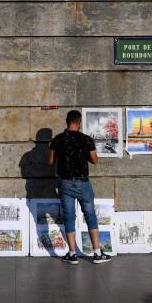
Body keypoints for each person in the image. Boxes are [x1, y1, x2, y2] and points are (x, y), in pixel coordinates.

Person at [47, 110, 112, 265]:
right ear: (79, 122)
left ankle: (72, 254)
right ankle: (97, 253)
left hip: (65, 183)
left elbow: (50, 162)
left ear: (67, 121)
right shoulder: (86, 139)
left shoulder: (58, 139)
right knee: (90, 215)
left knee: (69, 216)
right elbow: (95, 161)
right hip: (83, 183)